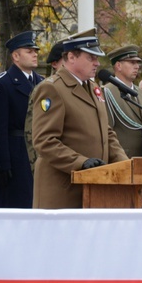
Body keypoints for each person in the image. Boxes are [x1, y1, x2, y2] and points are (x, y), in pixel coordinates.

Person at [31, 29, 128, 209]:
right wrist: (80, 162)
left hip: (94, 186)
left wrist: (125, 164)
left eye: (97, 58)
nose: (97, 63)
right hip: (63, 189)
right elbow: (44, 141)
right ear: (71, 57)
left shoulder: (93, 87)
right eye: (91, 58)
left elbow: (106, 131)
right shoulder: (52, 89)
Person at [0, 31, 43, 208]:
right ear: (15, 56)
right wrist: (3, 164)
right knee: (19, 202)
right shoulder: (3, 84)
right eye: (29, 51)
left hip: (38, 150)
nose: (35, 53)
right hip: (17, 153)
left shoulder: (41, 82)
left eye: (35, 50)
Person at [25, 39, 65, 173]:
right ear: (55, 64)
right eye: (66, 59)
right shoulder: (48, 89)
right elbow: (33, 132)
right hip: (55, 164)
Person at [103, 45, 142, 158]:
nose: (137, 66)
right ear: (118, 65)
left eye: (137, 63)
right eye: (132, 62)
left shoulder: (140, 93)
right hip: (121, 158)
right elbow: (108, 129)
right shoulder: (107, 91)